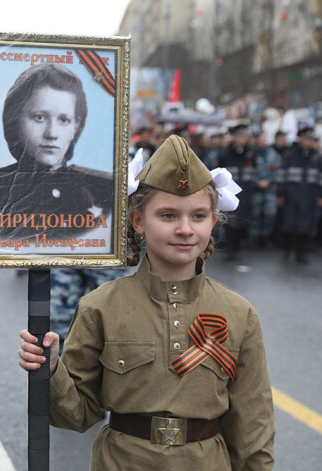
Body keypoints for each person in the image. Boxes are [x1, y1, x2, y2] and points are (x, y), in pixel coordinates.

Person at [18, 135, 274, 470]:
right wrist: (51, 370)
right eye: (168, 215)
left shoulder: (240, 314)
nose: (185, 229)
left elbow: (253, 427)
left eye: (198, 216)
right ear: (137, 220)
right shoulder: (100, 307)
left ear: (213, 220)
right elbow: (76, 414)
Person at [0, 63, 114, 240]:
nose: (51, 133)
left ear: (76, 126)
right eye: (39, 117)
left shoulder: (105, 190)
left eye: (63, 120)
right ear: (15, 120)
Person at [277, 126, 322, 264]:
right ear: (300, 139)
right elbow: (281, 176)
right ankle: (286, 250)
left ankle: (301, 254)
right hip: (292, 196)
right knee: (289, 225)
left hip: (309, 197)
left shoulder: (317, 157)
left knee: (306, 227)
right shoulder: (289, 156)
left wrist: (320, 196)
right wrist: (281, 194)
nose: (309, 142)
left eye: (311, 139)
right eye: (306, 139)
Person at [215, 123, 257, 260]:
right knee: (230, 222)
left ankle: (238, 247)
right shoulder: (225, 154)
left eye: (244, 136)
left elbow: (255, 172)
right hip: (230, 192)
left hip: (246, 192)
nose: (242, 139)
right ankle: (230, 249)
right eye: (239, 136)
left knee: (244, 221)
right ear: (233, 137)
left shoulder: (250, 153)